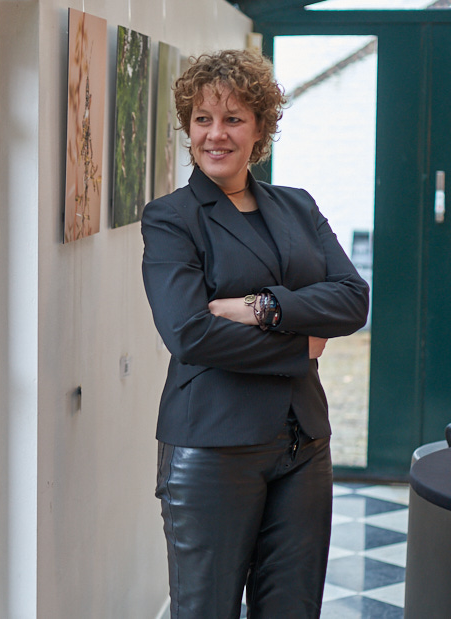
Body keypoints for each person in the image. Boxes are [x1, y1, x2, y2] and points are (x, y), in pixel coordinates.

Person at [140, 49, 370, 619]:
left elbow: (352, 299)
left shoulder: (297, 207)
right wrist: (301, 341)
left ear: (261, 128)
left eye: (233, 118)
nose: (216, 134)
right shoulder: (172, 218)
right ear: (188, 128)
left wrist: (261, 307)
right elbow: (190, 334)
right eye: (202, 119)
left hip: (302, 446)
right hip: (212, 448)